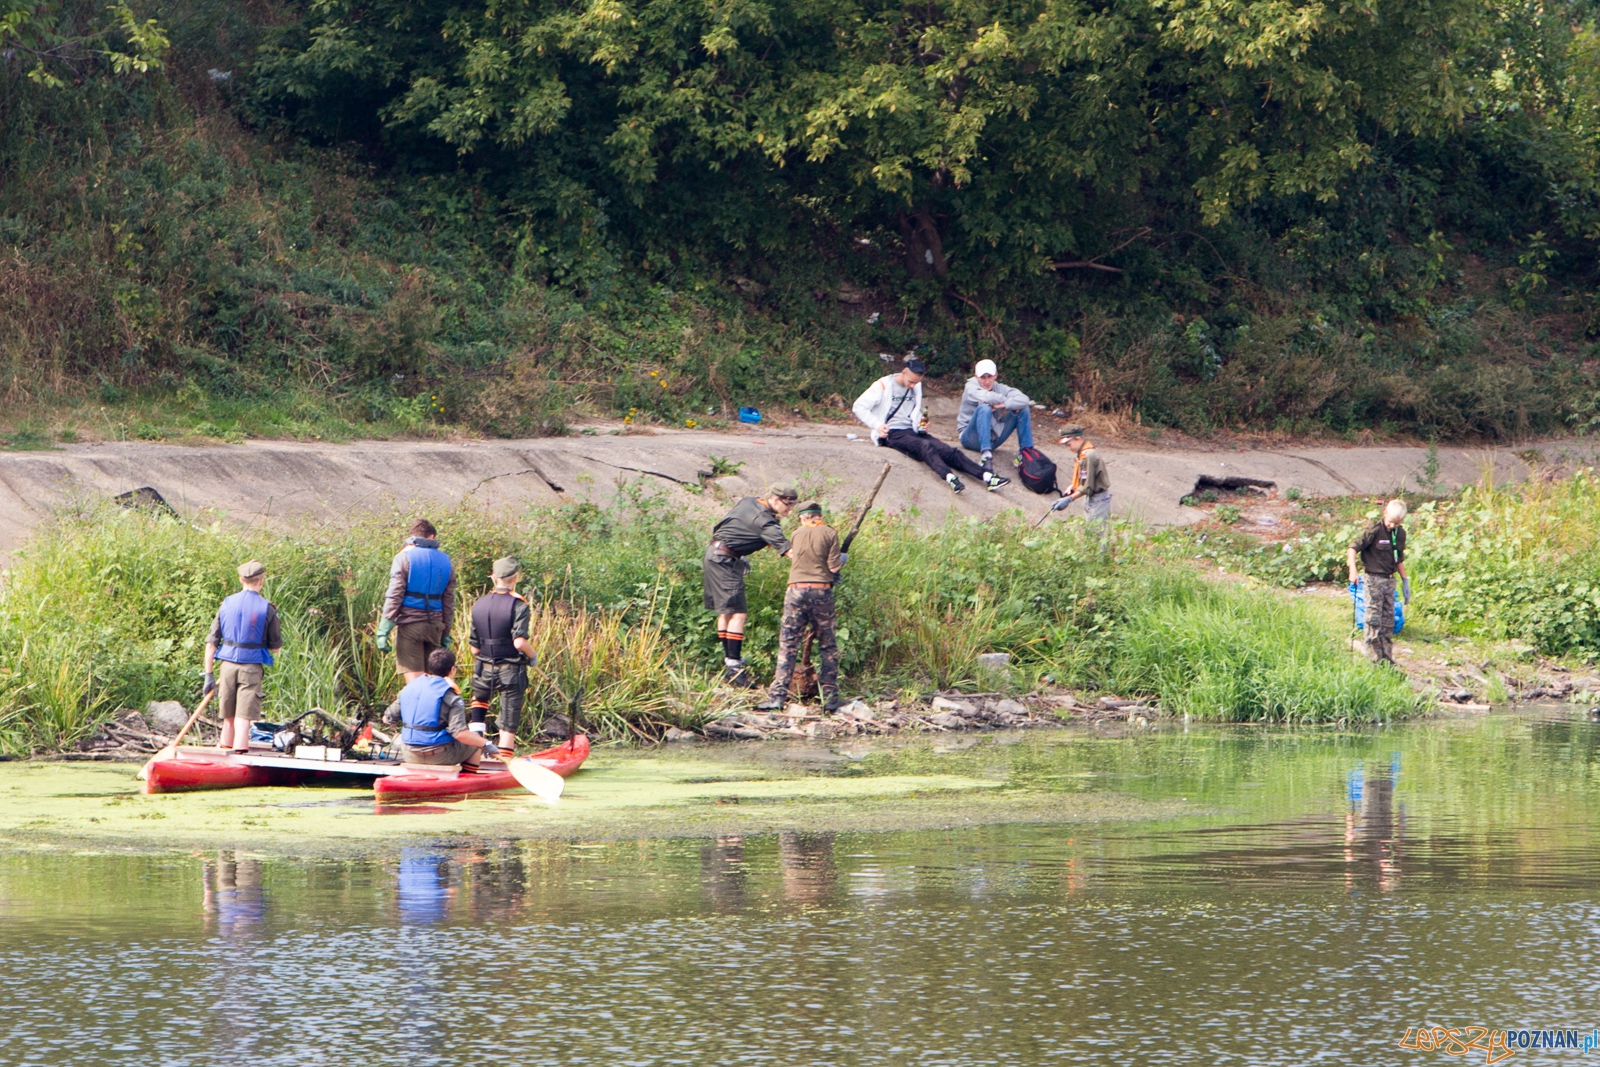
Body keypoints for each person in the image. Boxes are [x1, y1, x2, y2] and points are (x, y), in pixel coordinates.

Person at [852, 358, 1009, 493]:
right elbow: (858, 406)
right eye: (911, 381)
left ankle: (987, 477)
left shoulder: (916, 386)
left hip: (912, 430)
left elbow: (915, 410)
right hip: (893, 433)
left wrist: (922, 422)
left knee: (949, 451)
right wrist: (877, 425)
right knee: (925, 446)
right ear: (903, 372)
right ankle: (950, 478)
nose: (913, 386)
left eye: (917, 382)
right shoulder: (884, 385)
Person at [755, 501, 846, 713]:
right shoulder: (830, 533)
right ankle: (830, 698)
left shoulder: (796, 534)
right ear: (819, 516)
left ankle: (777, 696)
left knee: (788, 642)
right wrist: (841, 561)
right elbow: (833, 566)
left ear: (802, 518)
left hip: (795, 591)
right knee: (827, 644)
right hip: (821, 590)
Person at [706, 487, 797, 687]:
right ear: (774, 499)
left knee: (726, 612)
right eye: (787, 504)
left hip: (715, 553)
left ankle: (729, 664)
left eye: (793, 504)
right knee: (738, 614)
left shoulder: (749, 501)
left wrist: (739, 551)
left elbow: (726, 524)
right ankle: (734, 667)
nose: (790, 509)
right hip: (725, 560)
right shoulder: (766, 523)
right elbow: (790, 552)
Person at [203, 560, 283, 754]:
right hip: (251, 668)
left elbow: (211, 643)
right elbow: (276, 648)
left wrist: (209, 675)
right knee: (243, 716)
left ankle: (224, 749)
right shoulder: (267, 608)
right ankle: (239, 752)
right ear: (261, 581)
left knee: (228, 715)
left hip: (227, 666)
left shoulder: (226, 604)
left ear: (241, 580)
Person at [468, 556, 534, 759]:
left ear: (493, 577)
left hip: (483, 669)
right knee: (508, 718)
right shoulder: (519, 605)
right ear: (515, 578)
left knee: (479, 702)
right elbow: (519, 643)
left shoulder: (479, 604)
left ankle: (474, 756)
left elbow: (474, 649)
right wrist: (533, 656)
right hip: (510, 671)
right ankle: (504, 761)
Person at [377, 519, 456, 683]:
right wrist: (446, 633)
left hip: (410, 628)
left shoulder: (403, 558)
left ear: (412, 536)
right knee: (435, 683)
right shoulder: (446, 561)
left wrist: (383, 630)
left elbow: (395, 595)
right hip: (435, 627)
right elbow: (448, 603)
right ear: (432, 536)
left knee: (415, 686)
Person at [381, 648, 487, 769]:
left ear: (429, 667)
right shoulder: (451, 695)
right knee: (476, 741)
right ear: (452, 670)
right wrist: (486, 744)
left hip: (409, 754)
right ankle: (467, 780)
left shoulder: (409, 688)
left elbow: (386, 718)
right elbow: (460, 734)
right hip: (440, 755)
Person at [1348, 499, 1409, 665]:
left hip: (1389, 581)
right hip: (1373, 579)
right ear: (1385, 515)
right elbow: (1353, 548)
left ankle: (1386, 658)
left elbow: (1398, 558)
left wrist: (1405, 580)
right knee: (1373, 619)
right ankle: (1373, 659)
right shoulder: (1374, 531)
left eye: (1396, 523)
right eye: (1390, 522)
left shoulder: (1400, 534)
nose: (1392, 526)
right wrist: (1352, 570)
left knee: (1388, 621)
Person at [957, 358, 1034, 466]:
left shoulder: (1000, 388)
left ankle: (1027, 454)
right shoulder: (970, 386)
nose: (987, 381)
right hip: (970, 437)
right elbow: (987, 396)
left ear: (996, 375)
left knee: (1023, 409)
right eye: (983, 377)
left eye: (989, 377)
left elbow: (1024, 400)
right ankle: (986, 457)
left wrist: (1003, 405)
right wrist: (1008, 400)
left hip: (993, 437)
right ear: (976, 376)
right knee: (984, 407)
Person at [1051, 425, 1112, 534]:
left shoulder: (1088, 455)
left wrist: (1069, 499)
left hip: (1099, 498)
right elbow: (1084, 478)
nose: (1068, 448)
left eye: (1069, 444)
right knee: (1090, 533)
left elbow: (1087, 487)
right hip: (1092, 498)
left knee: (1096, 536)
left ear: (1078, 438)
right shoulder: (1082, 454)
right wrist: (1073, 486)